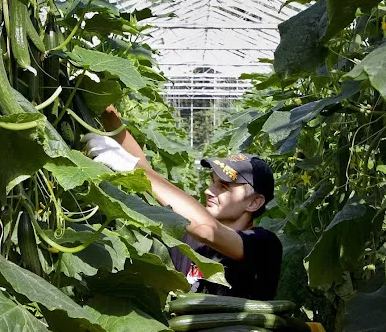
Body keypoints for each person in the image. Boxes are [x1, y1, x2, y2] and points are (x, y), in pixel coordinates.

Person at [83, 106, 282, 300]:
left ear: (254, 202)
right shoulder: (187, 238)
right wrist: (107, 111)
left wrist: (132, 167)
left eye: (224, 187)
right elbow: (150, 179)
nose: (208, 191)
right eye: (212, 182)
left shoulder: (264, 244)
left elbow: (208, 231)